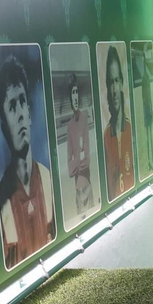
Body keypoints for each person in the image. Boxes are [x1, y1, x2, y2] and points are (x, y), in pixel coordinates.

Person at [0, 53, 54, 267]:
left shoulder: (47, 180)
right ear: (3, 126)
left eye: (22, 103)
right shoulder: (0, 202)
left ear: (29, 113)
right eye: (12, 106)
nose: (19, 113)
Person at [102, 46, 135, 198]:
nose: (114, 89)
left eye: (116, 81)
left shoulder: (130, 128)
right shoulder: (107, 135)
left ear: (121, 82)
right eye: (110, 82)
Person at [64, 75, 94, 212]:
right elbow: (70, 169)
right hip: (78, 191)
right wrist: (78, 160)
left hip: (88, 186)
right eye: (72, 93)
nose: (75, 97)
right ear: (70, 98)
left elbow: (87, 160)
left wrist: (79, 160)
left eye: (77, 93)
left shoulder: (84, 117)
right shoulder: (69, 126)